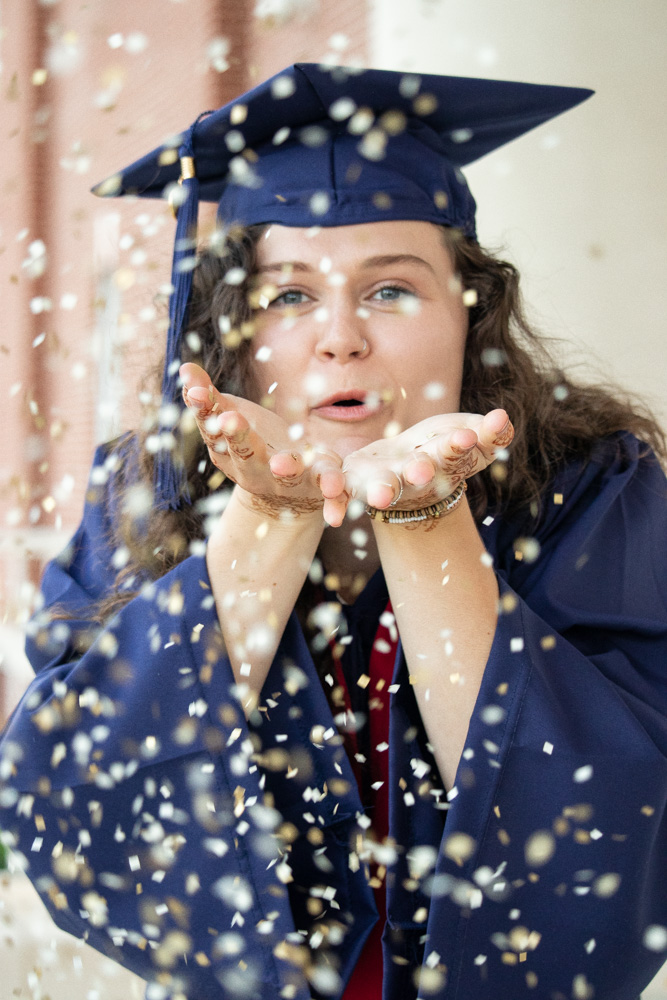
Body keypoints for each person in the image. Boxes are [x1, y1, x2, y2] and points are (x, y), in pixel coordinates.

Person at [1, 63, 666, 1000]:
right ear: (230, 331)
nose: (339, 337)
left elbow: (615, 841)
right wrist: (270, 517)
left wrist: (424, 518)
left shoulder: (592, 490)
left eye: (391, 290)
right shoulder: (143, 494)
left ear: (471, 318)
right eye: (288, 296)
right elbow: (82, 824)